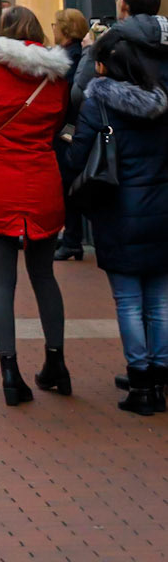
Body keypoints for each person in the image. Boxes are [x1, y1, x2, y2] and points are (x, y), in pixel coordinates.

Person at [0, 6, 72, 405]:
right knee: (45, 276)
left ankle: (10, 373)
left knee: (2, 281)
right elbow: (58, 125)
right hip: (42, 180)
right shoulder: (56, 79)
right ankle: (56, 363)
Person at [66, 30, 168, 413]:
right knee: (159, 301)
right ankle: (160, 378)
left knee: (127, 302)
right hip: (161, 211)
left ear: (106, 66)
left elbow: (78, 161)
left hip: (119, 213)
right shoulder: (162, 104)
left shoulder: (98, 107)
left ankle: (140, 384)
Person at [71, 0, 168, 106]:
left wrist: (89, 50)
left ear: (122, 4)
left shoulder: (113, 47)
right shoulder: (162, 40)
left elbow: (78, 95)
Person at [50, 6, 91, 262]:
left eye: (55, 25)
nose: (52, 29)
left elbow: (69, 98)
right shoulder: (74, 55)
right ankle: (72, 236)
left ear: (64, 30)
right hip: (72, 126)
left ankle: (73, 239)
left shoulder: (69, 58)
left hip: (69, 128)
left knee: (67, 179)